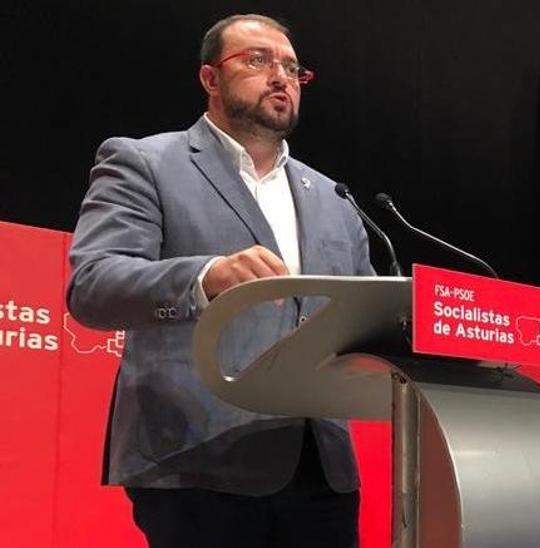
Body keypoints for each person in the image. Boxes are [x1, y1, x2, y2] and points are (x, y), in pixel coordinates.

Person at [66, 14, 372, 547]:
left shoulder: (335, 198)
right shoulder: (144, 161)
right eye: (258, 60)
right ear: (210, 78)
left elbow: (367, 313)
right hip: (197, 457)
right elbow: (93, 286)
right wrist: (206, 277)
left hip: (319, 468)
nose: (280, 76)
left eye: (293, 68)